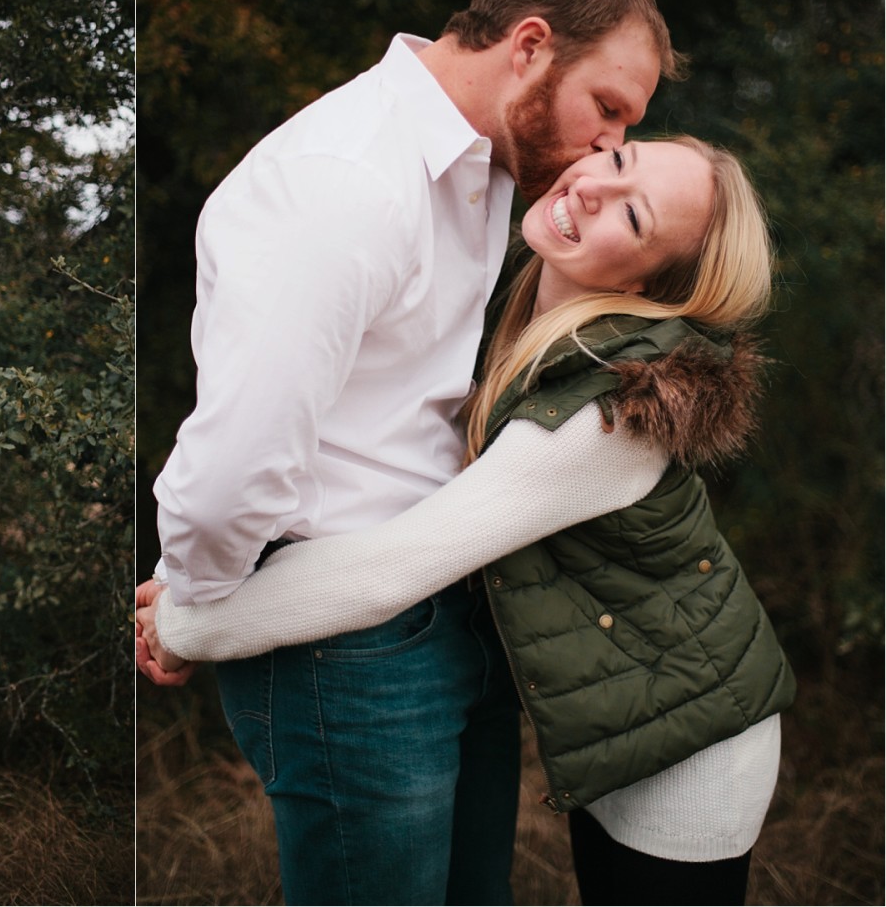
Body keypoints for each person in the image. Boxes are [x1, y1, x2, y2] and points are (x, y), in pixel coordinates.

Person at [138, 0, 683, 904]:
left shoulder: (484, 170)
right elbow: (234, 466)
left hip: (447, 612)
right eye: (608, 109)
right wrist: (196, 601)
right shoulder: (344, 179)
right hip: (340, 649)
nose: (606, 147)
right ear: (527, 46)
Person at [140, 137, 795, 906]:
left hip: (692, 755)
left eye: (634, 214)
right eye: (619, 163)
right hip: (633, 719)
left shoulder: (605, 419)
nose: (593, 190)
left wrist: (190, 623)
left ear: (648, 283)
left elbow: (398, 565)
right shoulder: (541, 336)